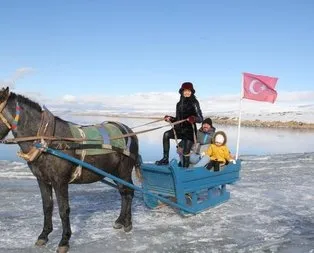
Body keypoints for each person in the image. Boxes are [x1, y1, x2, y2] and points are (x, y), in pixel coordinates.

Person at [155, 82, 203, 167]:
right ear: (182, 92)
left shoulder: (194, 102)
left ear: (191, 92)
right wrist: (170, 118)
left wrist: (193, 118)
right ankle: (165, 159)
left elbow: (200, 118)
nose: (187, 92)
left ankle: (185, 169)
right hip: (179, 130)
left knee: (185, 151)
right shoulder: (178, 104)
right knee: (166, 134)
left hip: (189, 132)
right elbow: (178, 119)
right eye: (185, 91)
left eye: (189, 91)